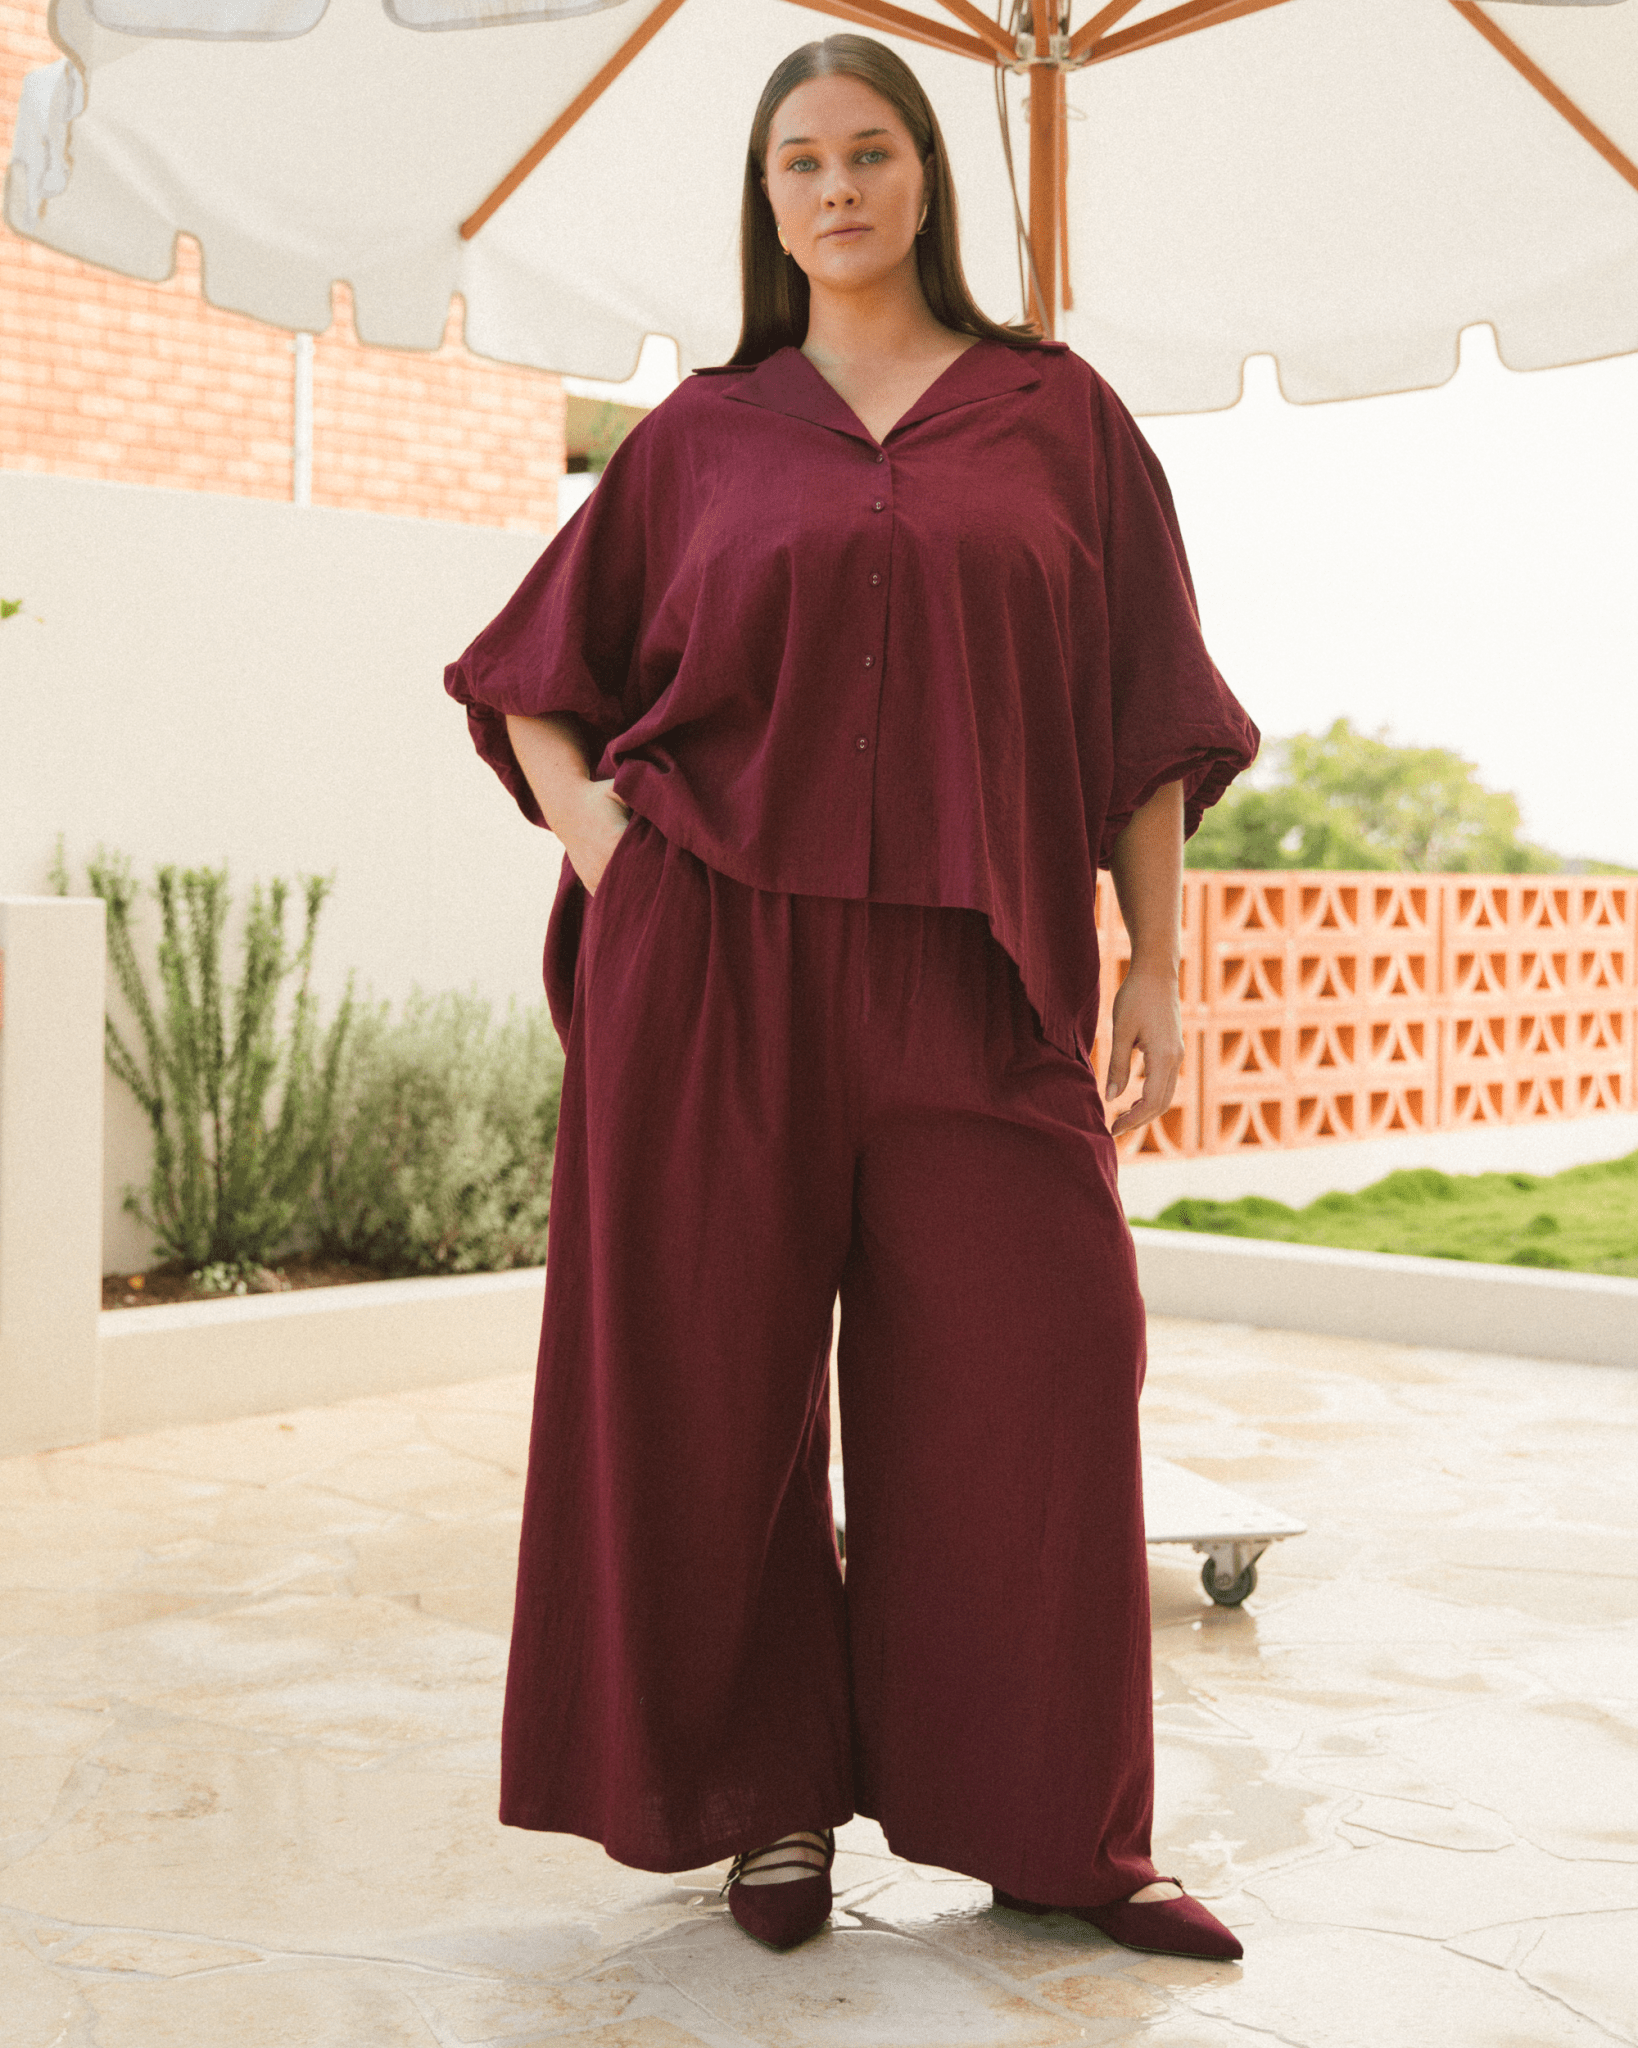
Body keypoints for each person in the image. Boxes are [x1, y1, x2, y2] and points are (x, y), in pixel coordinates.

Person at [445, 33, 1258, 1961]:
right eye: (799, 160)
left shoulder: (1059, 418)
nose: (836, 187)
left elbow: (1142, 714)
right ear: (766, 199)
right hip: (714, 968)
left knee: (1041, 1382)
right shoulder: (699, 434)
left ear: (926, 178)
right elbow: (529, 672)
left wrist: (1157, 961)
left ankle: (1061, 1834)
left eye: (870, 151)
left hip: (982, 974)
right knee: (708, 1393)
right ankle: (767, 1808)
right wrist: (607, 848)